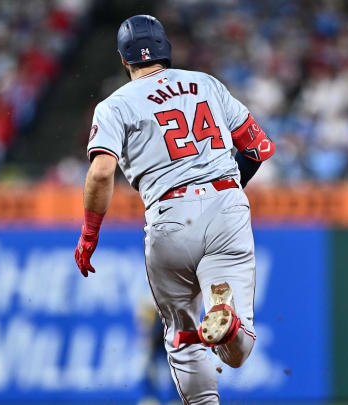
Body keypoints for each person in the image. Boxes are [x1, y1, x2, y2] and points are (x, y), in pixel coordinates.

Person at [74, 15, 275, 404]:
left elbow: (101, 174)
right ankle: (228, 326)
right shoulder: (207, 84)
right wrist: (225, 192)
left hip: (168, 217)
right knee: (238, 347)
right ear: (166, 48)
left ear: (122, 59)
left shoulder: (115, 105)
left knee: (181, 337)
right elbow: (258, 147)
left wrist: (89, 233)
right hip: (225, 206)